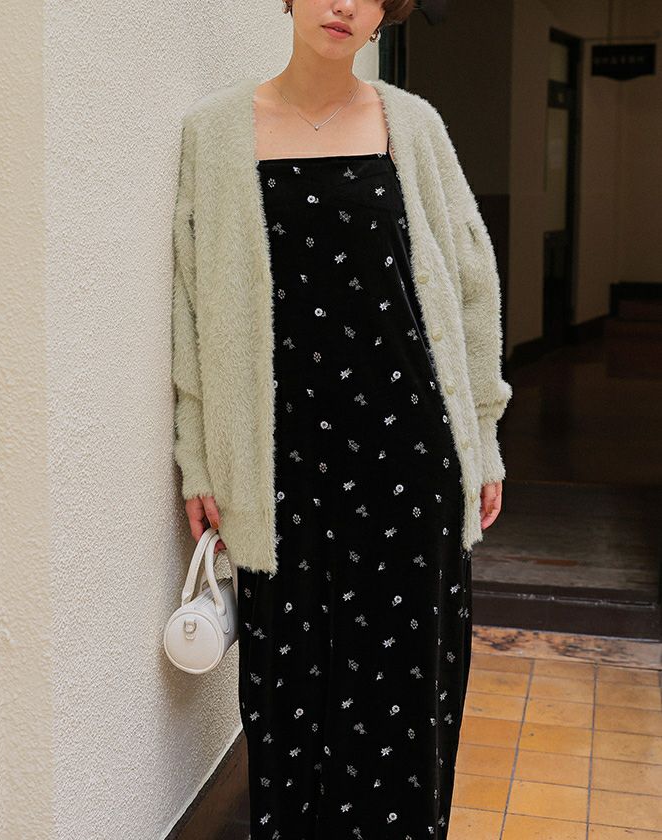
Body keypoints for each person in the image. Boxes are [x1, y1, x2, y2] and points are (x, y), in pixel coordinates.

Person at [171, 2, 512, 837]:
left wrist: (485, 438)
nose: (343, 5)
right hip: (278, 464)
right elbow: (192, 304)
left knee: (404, 689)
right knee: (288, 690)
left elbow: (472, 287)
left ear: (386, 13)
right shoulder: (215, 133)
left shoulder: (414, 126)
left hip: (410, 455)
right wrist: (199, 458)